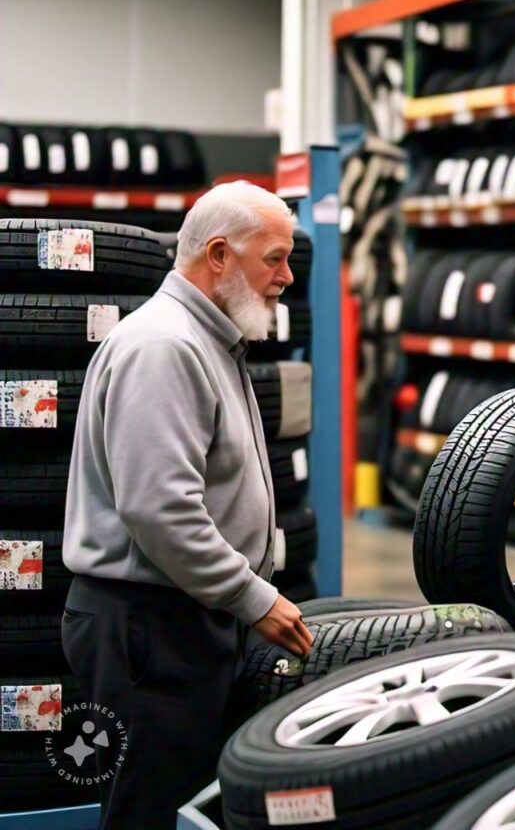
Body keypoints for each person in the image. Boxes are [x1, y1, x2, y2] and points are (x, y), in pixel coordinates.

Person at [62, 182, 314, 829]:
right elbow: (159, 510)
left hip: (181, 617)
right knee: (149, 810)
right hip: (148, 627)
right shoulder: (164, 348)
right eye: (275, 259)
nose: (286, 277)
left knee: (185, 804)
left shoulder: (209, 341)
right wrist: (253, 597)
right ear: (221, 255)